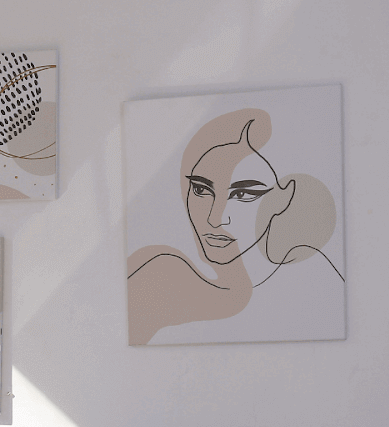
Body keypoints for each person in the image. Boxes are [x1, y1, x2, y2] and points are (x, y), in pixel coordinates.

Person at [128, 108, 342, 345]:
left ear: (284, 198)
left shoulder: (321, 290)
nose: (215, 218)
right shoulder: (159, 274)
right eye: (201, 190)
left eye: (241, 194)